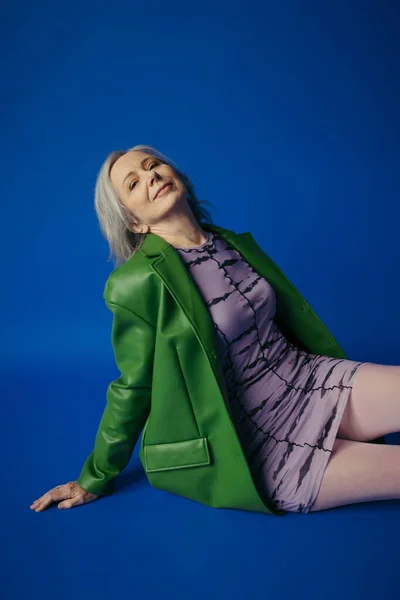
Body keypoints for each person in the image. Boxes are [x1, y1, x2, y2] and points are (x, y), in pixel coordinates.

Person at [30, 145, 399, 515]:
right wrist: (96, 475)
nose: (151, 177)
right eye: (133, 182)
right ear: (134, 223)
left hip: (312, 380)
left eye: (153, 165)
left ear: (177, 176)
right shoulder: (137, 282)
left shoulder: (230, 242)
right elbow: (133, 387)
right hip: (260, 438)